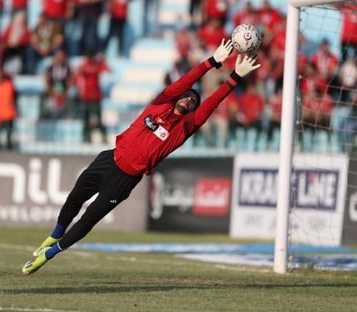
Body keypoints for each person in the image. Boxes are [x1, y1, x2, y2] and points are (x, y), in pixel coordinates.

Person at [22, 39, 260, 275]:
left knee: (89, 218)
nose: (189, 99)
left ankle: (49, 254)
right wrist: (212, 62)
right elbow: (186, 81)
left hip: (125, 179)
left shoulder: (184, 128)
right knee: (75, 197)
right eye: (187, 96)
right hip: (108, 159)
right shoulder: (159, 104)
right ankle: (54, 235)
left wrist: (234, 78)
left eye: (193, 101)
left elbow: (211, 104)